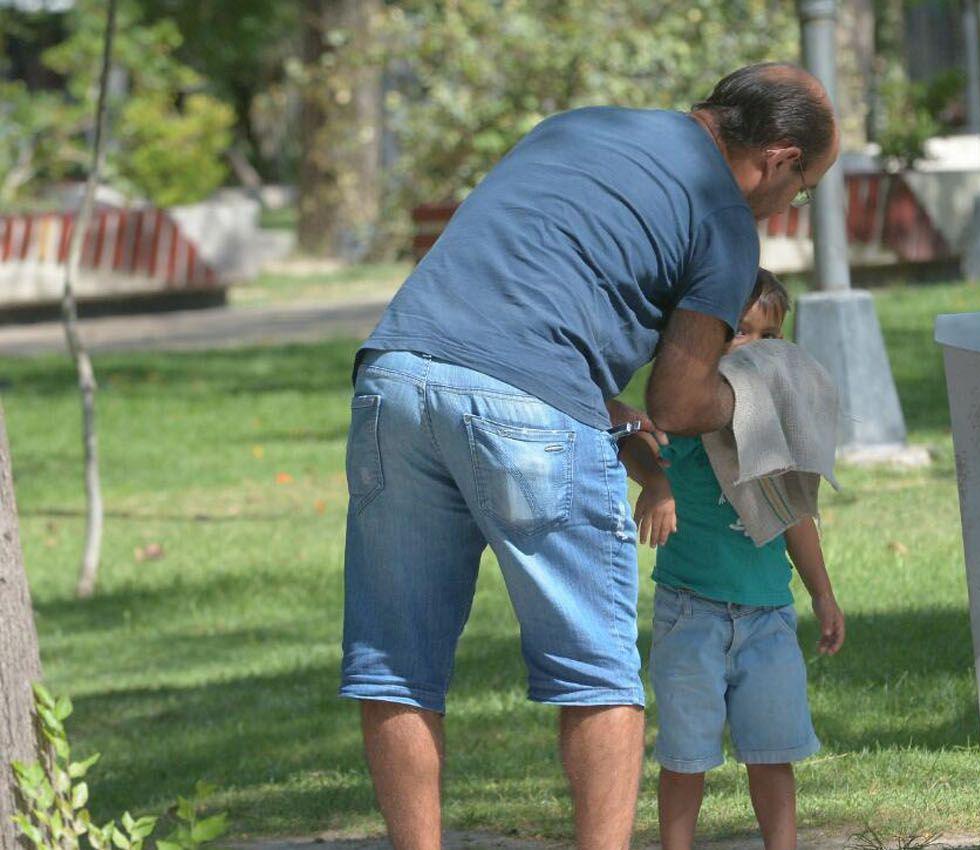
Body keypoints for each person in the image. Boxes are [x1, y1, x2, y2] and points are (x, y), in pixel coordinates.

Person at [339, 64, 839, 850]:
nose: (790, 205)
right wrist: (753, 401)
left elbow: (518, 286)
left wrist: (602, 402)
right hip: (526, 406)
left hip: (394, 374)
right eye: (803, 188)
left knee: (396, 665)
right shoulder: (724, 219)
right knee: (596, 672)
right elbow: (679, 401)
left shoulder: (579, 127)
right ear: (778, 157)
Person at [620, 270, 846, 850]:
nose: (747, 348)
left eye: (762, 337)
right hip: (688, 613)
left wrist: (822, 593)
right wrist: (656, 486)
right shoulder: (685, 406)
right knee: (685, 756)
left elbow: (794, 512)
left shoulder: (770, 417)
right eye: (735, 331)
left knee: (773, 753)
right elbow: (636, 436)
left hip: (769, 617)